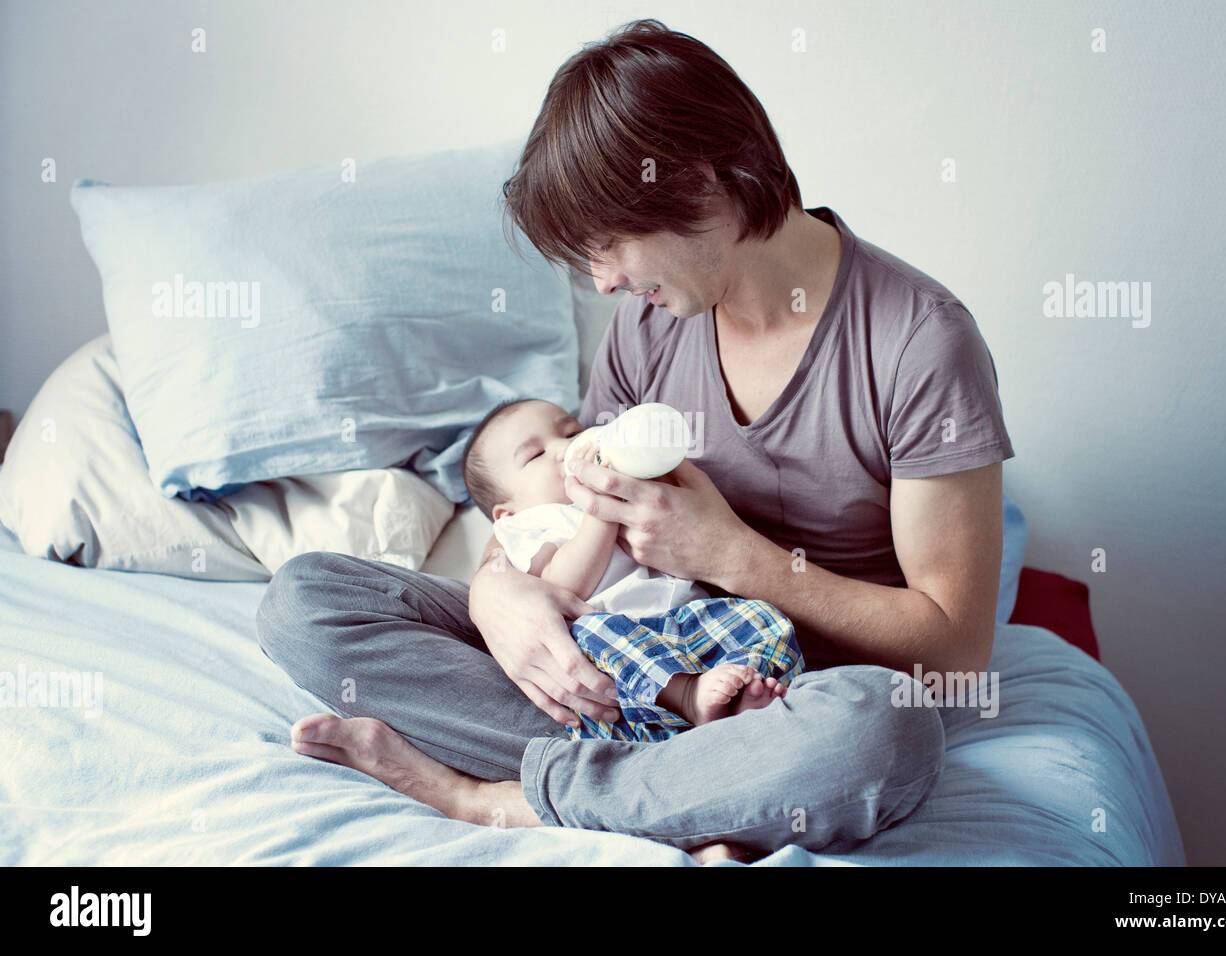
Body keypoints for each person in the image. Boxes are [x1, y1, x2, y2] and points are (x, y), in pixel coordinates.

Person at [256, 19, 1012, 863]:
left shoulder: (917, 341)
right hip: (628, 657)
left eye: (608, 245)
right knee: (308, 600)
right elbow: (563, 510)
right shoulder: (647, 326)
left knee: (883, 735)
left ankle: (499, 798)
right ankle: (688, 789)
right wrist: (495, 596)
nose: (604, 280)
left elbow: (957, 648)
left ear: (699, 183)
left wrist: (734, 555)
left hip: (793, 697)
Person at [461, 396, 804, 742]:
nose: (565, 450)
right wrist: (600, 511)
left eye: (571, 432)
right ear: (506, 512)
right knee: (589, 632)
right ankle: (686, 695)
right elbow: (563, 585)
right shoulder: (529, 525)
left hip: (689, 620)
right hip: (619, 650)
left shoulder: (624, 483)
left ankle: (748, 688)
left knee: (761, 618)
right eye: (535, 455)